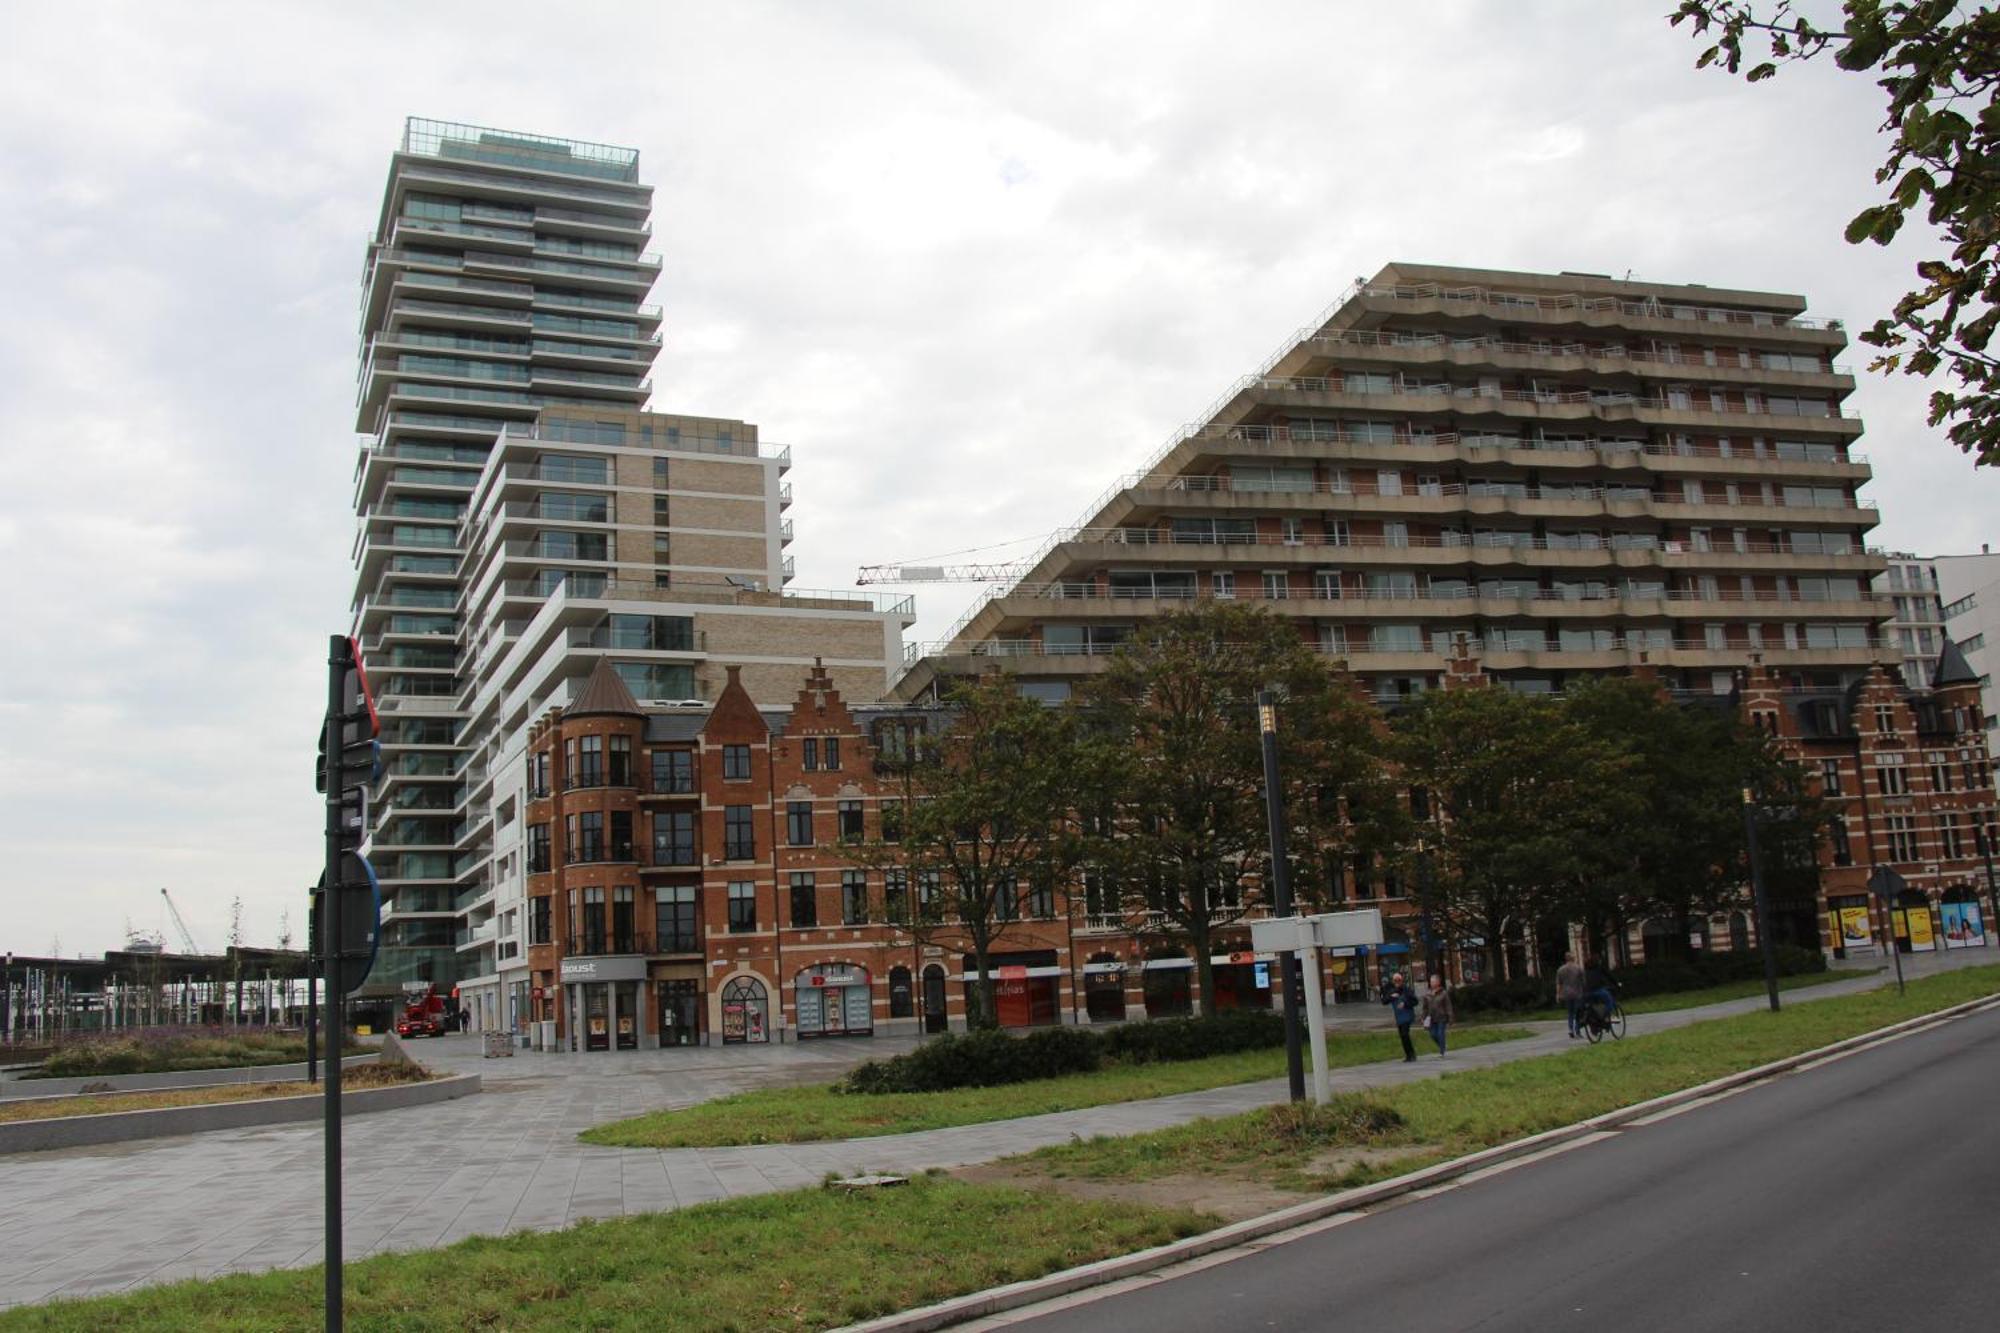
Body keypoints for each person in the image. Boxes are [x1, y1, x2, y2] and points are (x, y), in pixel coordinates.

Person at [1380, 970, 1420, 1061]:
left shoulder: (1406, 990)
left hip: (1407, 1016)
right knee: (1402, 1036)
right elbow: (1384, 1001)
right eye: (1395, 980)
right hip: (1399, 1017)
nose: (1397, 982)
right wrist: (1391, 996)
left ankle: (1412, 1054)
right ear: (1393, 981)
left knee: (1405, 1034)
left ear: (1402, 981)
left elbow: (1415, 1001)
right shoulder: (1392, 991)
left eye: (1398, 980)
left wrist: (1405, 1004)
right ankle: (1408, 1055)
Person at [1418, 973, 1454, 1057]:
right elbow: (1425, 1008)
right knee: (1433, 1034)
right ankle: (1442, 1045)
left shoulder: (1443, 993)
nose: (1432, 983)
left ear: (1438, 982)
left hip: (1441, 1017)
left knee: (1440, 1034)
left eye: (1434, 981)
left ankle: (1442, 1051)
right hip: (1431, 1018)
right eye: (1431, 981)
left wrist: (1450, 1017)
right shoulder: (1427, 994)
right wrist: (1423, 1017)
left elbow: (1448, 1006)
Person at [1555, 953, 1587, 1039]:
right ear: (1573, 958)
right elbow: (1584, 982)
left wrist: (1558, 994)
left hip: (1566, 994)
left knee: (1570, 1013)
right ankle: (1577, 1031)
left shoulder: (1560, 970)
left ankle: (1570, 1029)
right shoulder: (1579, 968)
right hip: (1577, 993)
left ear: (1566, 959)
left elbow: (1558, 984)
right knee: (1578, 1013)